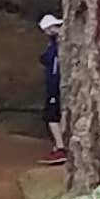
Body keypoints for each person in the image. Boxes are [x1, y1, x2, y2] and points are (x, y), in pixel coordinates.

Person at [40, 13, 65, 161]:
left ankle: (61, 148)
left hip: (55, 84)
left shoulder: (58, 43)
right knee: (54, 115)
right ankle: (58, 145)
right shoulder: (53, 43)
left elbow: (51, 60)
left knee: (51, 116)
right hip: (54, 83)